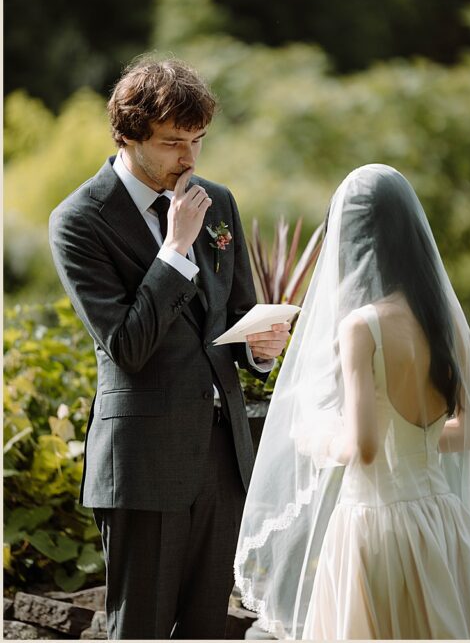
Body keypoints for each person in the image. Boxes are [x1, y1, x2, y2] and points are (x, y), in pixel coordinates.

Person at [48, 57, 289, 639]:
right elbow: (128, 345)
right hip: (143, 458)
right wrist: (176, 248)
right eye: (171, 142)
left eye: (199, 140)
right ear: (126, 136)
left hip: (222, 455)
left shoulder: (218, 202)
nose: (189, 159)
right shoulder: (78, 221)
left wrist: (261, 346)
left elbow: (233, 319)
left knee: (208, 626)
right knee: (143, 629)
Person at [234, 164, 470, 640]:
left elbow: (361, 447)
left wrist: (313, 437)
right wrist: (413, 442)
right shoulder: (444, 317)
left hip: (376, 527)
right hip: (442, 521)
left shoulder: (362, 327)